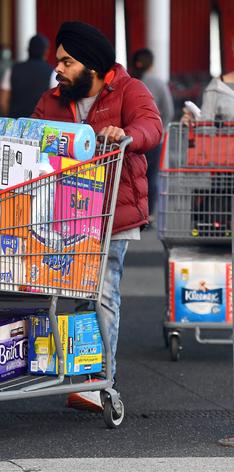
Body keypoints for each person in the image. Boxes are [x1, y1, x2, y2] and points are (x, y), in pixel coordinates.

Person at [32, 21, 163, 411]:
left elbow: (150, 126)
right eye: (58, 60)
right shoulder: (52, 100)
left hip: (113, 214)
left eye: (67, 61)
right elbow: (30, 138)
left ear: (90, 65)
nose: (58, 68)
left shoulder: (128, 90)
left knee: (103, 292)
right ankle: (84, 371)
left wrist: (126, 134)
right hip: (63, 218)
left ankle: (102, 377)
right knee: (73, 292)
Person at [130, 48, 175, 219]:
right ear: (151, 64)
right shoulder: (158, 83)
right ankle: (148, 214)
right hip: (155, 139)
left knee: (132, 175)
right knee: (152, 176)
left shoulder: (128, 81)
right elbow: (169, 111)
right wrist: (160, 128)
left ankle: (133, 212)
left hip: (131, 138)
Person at [0, 34, 56, 117]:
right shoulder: (52, 73)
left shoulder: (12, 70)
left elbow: (3, 101)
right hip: (39, 125)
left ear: (28, 50)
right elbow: (54, 104)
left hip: (16, 124)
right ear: (46, 51)